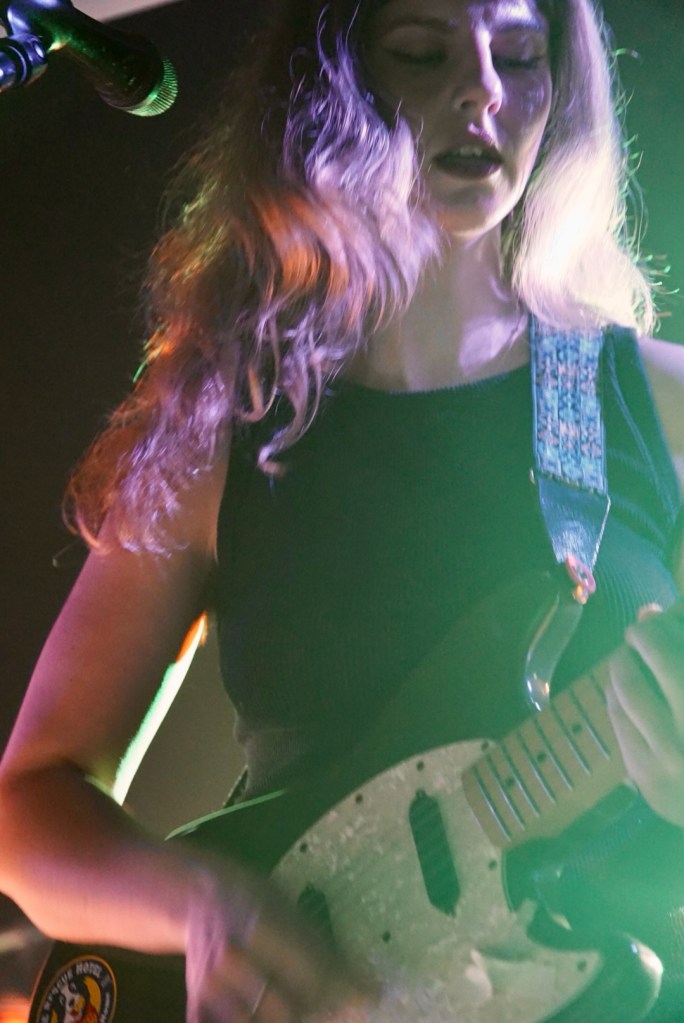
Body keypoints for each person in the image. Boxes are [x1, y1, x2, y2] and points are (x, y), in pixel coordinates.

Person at [1, 0, 683, 1020]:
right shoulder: (231, 427)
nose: (483, 90)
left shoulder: (661, 408)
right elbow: (32, 803)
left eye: (520, 54)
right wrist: (208, 905)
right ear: (337, 83)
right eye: (423, 50)